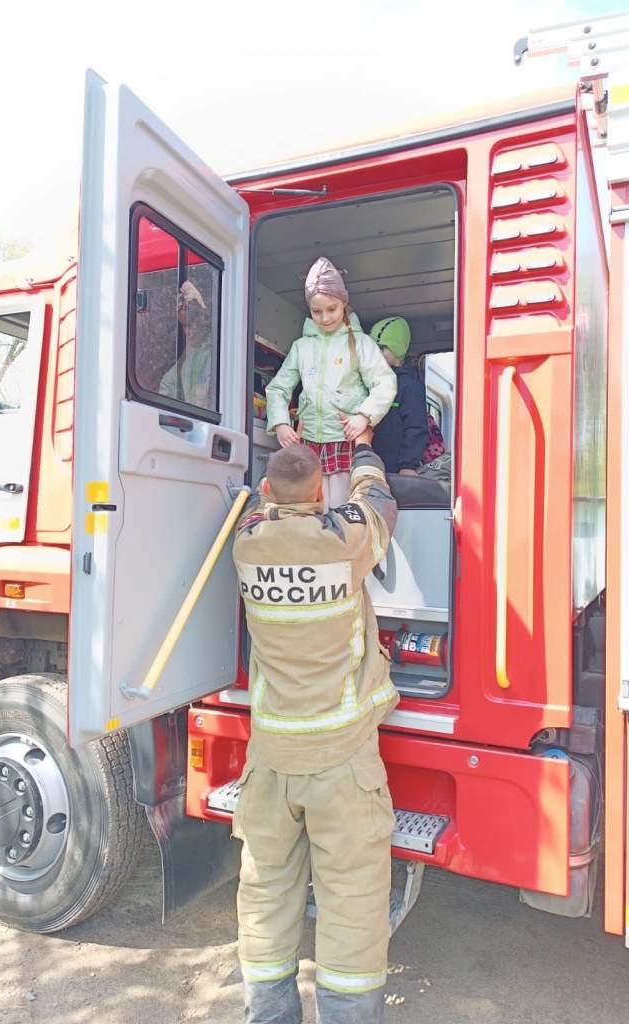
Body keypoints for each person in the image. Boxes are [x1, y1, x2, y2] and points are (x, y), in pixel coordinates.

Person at [232, 426, 400, 1024]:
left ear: (272, 498)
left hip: (272, 757)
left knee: (265, 896)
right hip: (341, 760)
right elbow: (380, 501)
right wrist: (361, 451)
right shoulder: (344, 540)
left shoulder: (247, 543)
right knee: (352, 902)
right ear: (321, 495)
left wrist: (281, 471)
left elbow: (261, 502)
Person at [266, 256, 396, 507]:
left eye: (332, 309)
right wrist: (281, 423)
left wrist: (364, 417)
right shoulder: (301, 347)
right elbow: (278, 388)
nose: (325, 317)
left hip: (344, 441)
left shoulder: (361, 343)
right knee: (306, 508)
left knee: (341, 508)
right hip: (308, 441)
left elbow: (384, 382)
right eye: (317, 311)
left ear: (344, 305)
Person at [369, 317, 429, 477]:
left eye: (382, 348)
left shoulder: (410, 386)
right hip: (370, 463)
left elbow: (416, 427)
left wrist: (408, 464)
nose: (376, 353)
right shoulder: (370, 381)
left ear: (397, 349)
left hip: (395, 467)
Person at [157, 279, 214, 408]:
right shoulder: (189, 353)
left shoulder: (218, 352)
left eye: (192, 326)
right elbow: (167, 384)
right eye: (184, 326)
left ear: (204, 322)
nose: (188, 333)